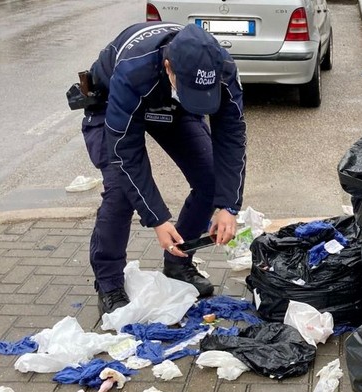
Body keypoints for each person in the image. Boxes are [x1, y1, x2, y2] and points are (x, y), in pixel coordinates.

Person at [79, 22, 247, 315]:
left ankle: (179, 263)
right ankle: (108, 283)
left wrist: (228, 206)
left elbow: (231, 136)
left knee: (211, 179)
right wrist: (157, 218)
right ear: (169, 67)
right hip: (112, 104)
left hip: (170, 105)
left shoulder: (222, 67)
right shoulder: (133, 71)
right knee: (121, 191)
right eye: (191, 90)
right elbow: (125, 153)